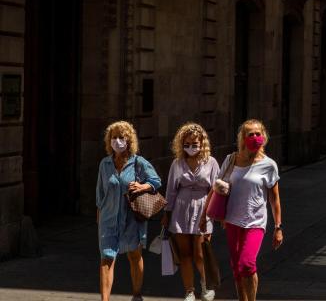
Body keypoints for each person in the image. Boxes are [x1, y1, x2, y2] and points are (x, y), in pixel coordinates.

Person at [202, 119, 283, 301]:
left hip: (255, 222)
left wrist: (278, 227)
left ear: (263, 136)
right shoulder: (231, 160)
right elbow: (215, 188)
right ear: (243, 138)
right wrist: (204, 216)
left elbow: (275, 199)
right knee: (236, 267)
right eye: (250, 134)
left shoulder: (269, 165)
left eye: (258, 133)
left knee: (247, 264)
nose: (255, 137)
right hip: (232, 221)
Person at [96, 121, 162, 301]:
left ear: (129, 140)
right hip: (108, 219)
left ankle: (137, 293)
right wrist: (99, 218)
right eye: (114, 137)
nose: (117, 141)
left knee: (134, 256)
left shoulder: (138, 163)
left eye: (121, 137)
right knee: (106, 258)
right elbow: (100, 193)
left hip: (132, 219)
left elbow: (156, 181)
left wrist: (142, 186)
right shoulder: (105, 164)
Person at [162, 123, 219, 301]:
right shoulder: (177, 163)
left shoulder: (211, 162)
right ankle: (189, 291)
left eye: (194, 144)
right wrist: (167, 213)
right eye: (187, 144)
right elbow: (171, 190)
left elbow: (216, 189)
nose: (191, 147)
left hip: (203, 208)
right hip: (181, 209)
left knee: (200, 252)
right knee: (184, 254)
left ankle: (205, 286)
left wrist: (216, 215)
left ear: (202, 144)